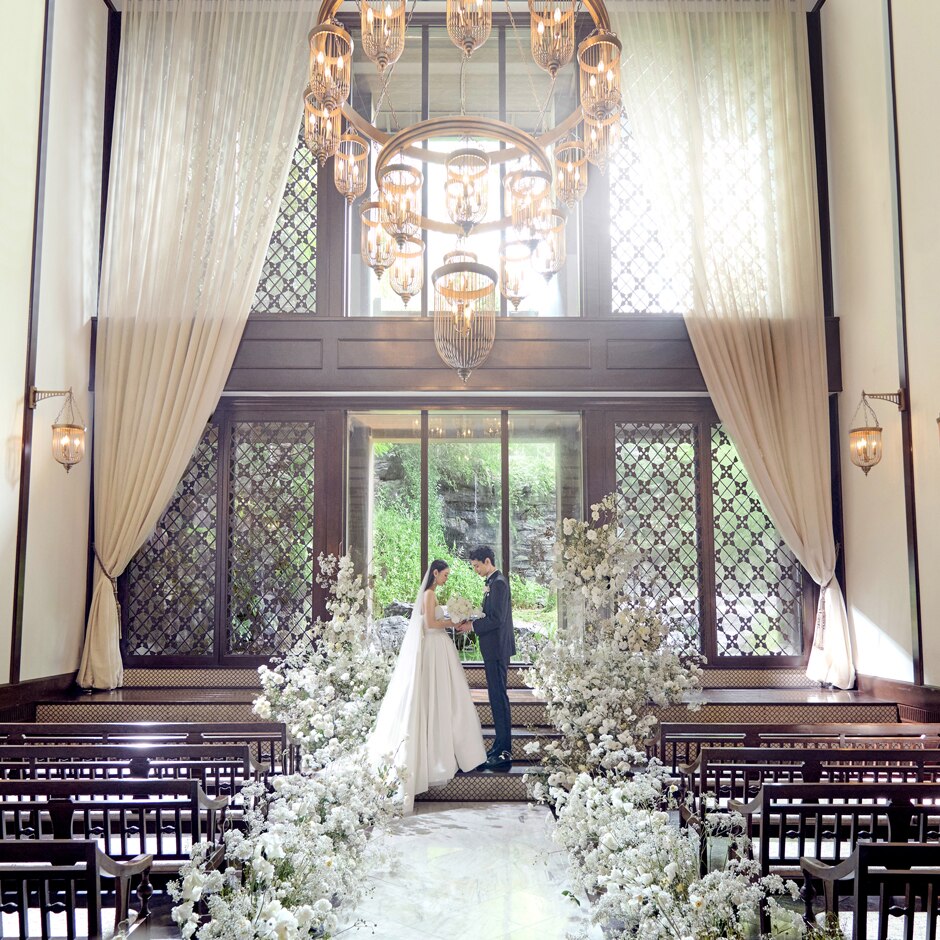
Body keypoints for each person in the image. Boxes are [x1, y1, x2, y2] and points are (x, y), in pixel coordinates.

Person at [367, 560, 486, 813]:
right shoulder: (430, 594)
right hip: (434, 647)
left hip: (439, 648)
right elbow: (430, 624)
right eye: (444, 575)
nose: (446, 579)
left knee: (447, 697)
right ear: (434, 573)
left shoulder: (431, 594)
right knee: (439, 695)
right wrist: (453, 622)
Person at [455, 546, 515, 770]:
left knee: (499, 698)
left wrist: (473, 625)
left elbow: (497, 619)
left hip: (498, 649)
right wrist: (473, 618)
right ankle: (499, 746)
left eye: (476, 565)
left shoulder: (498, 583)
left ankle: (505, 750)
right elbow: (490, 615)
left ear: (487, 561)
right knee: (495, 697)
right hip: (493, 648)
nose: (475, 569)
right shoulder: (493, 582)